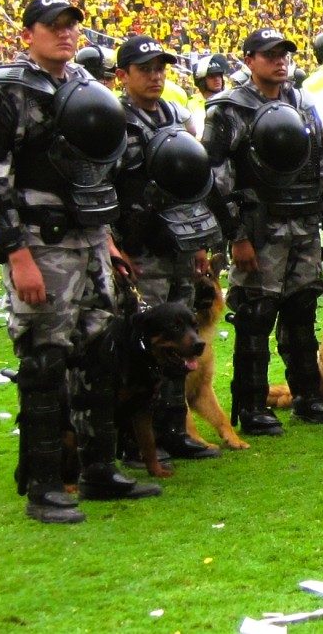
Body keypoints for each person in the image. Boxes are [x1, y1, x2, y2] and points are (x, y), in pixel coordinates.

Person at [0, 0, 159, 523]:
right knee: (45, 360)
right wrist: (17, 255)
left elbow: (94, 170)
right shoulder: (7, 89)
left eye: (72, 24)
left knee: (99, 353)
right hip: (40, 241)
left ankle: (99, 469)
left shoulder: (82, 84)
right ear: (28, 34)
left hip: (89, 238)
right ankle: (45, 484)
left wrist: (107, 240)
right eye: (53, 25)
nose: (65, 33)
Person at [203, 28, 323, 435]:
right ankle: (252, 405)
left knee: (301, 310)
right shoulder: (228, 109)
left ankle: (307, 397)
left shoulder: (302, 104)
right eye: (269, 55)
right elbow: (215, 180)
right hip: (259, 228)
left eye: (284, 54)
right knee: (255, 316)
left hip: (303, 225)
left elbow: (321, 169)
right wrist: (237, 236)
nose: (280, 61)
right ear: (249, 60)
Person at [111, 35, 223, 461]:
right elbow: (104, 186)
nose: (155, 76)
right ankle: (135, 438)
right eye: (145, 69)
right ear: (123, 75)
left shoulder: (175, 115)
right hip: (139, 246)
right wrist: (114, 244)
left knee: (181, 340)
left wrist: (198, 243)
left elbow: (194, 181)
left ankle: (175, 429)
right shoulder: (115, 120)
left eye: (160, 68)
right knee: (142, 342)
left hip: (178, 243)